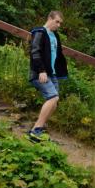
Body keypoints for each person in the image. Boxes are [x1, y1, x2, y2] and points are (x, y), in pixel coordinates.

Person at [26, 10, 68, 143]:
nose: (59, 25)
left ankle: (37, 130)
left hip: (52, 74)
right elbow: (35, 52)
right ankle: (36, 130)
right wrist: (41, 70)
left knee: (54, 103)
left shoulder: (55, 36)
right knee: (52, 97)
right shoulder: (39, 32)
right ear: (49, 18)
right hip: (40, 73)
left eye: (60, 23)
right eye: (57, 21)